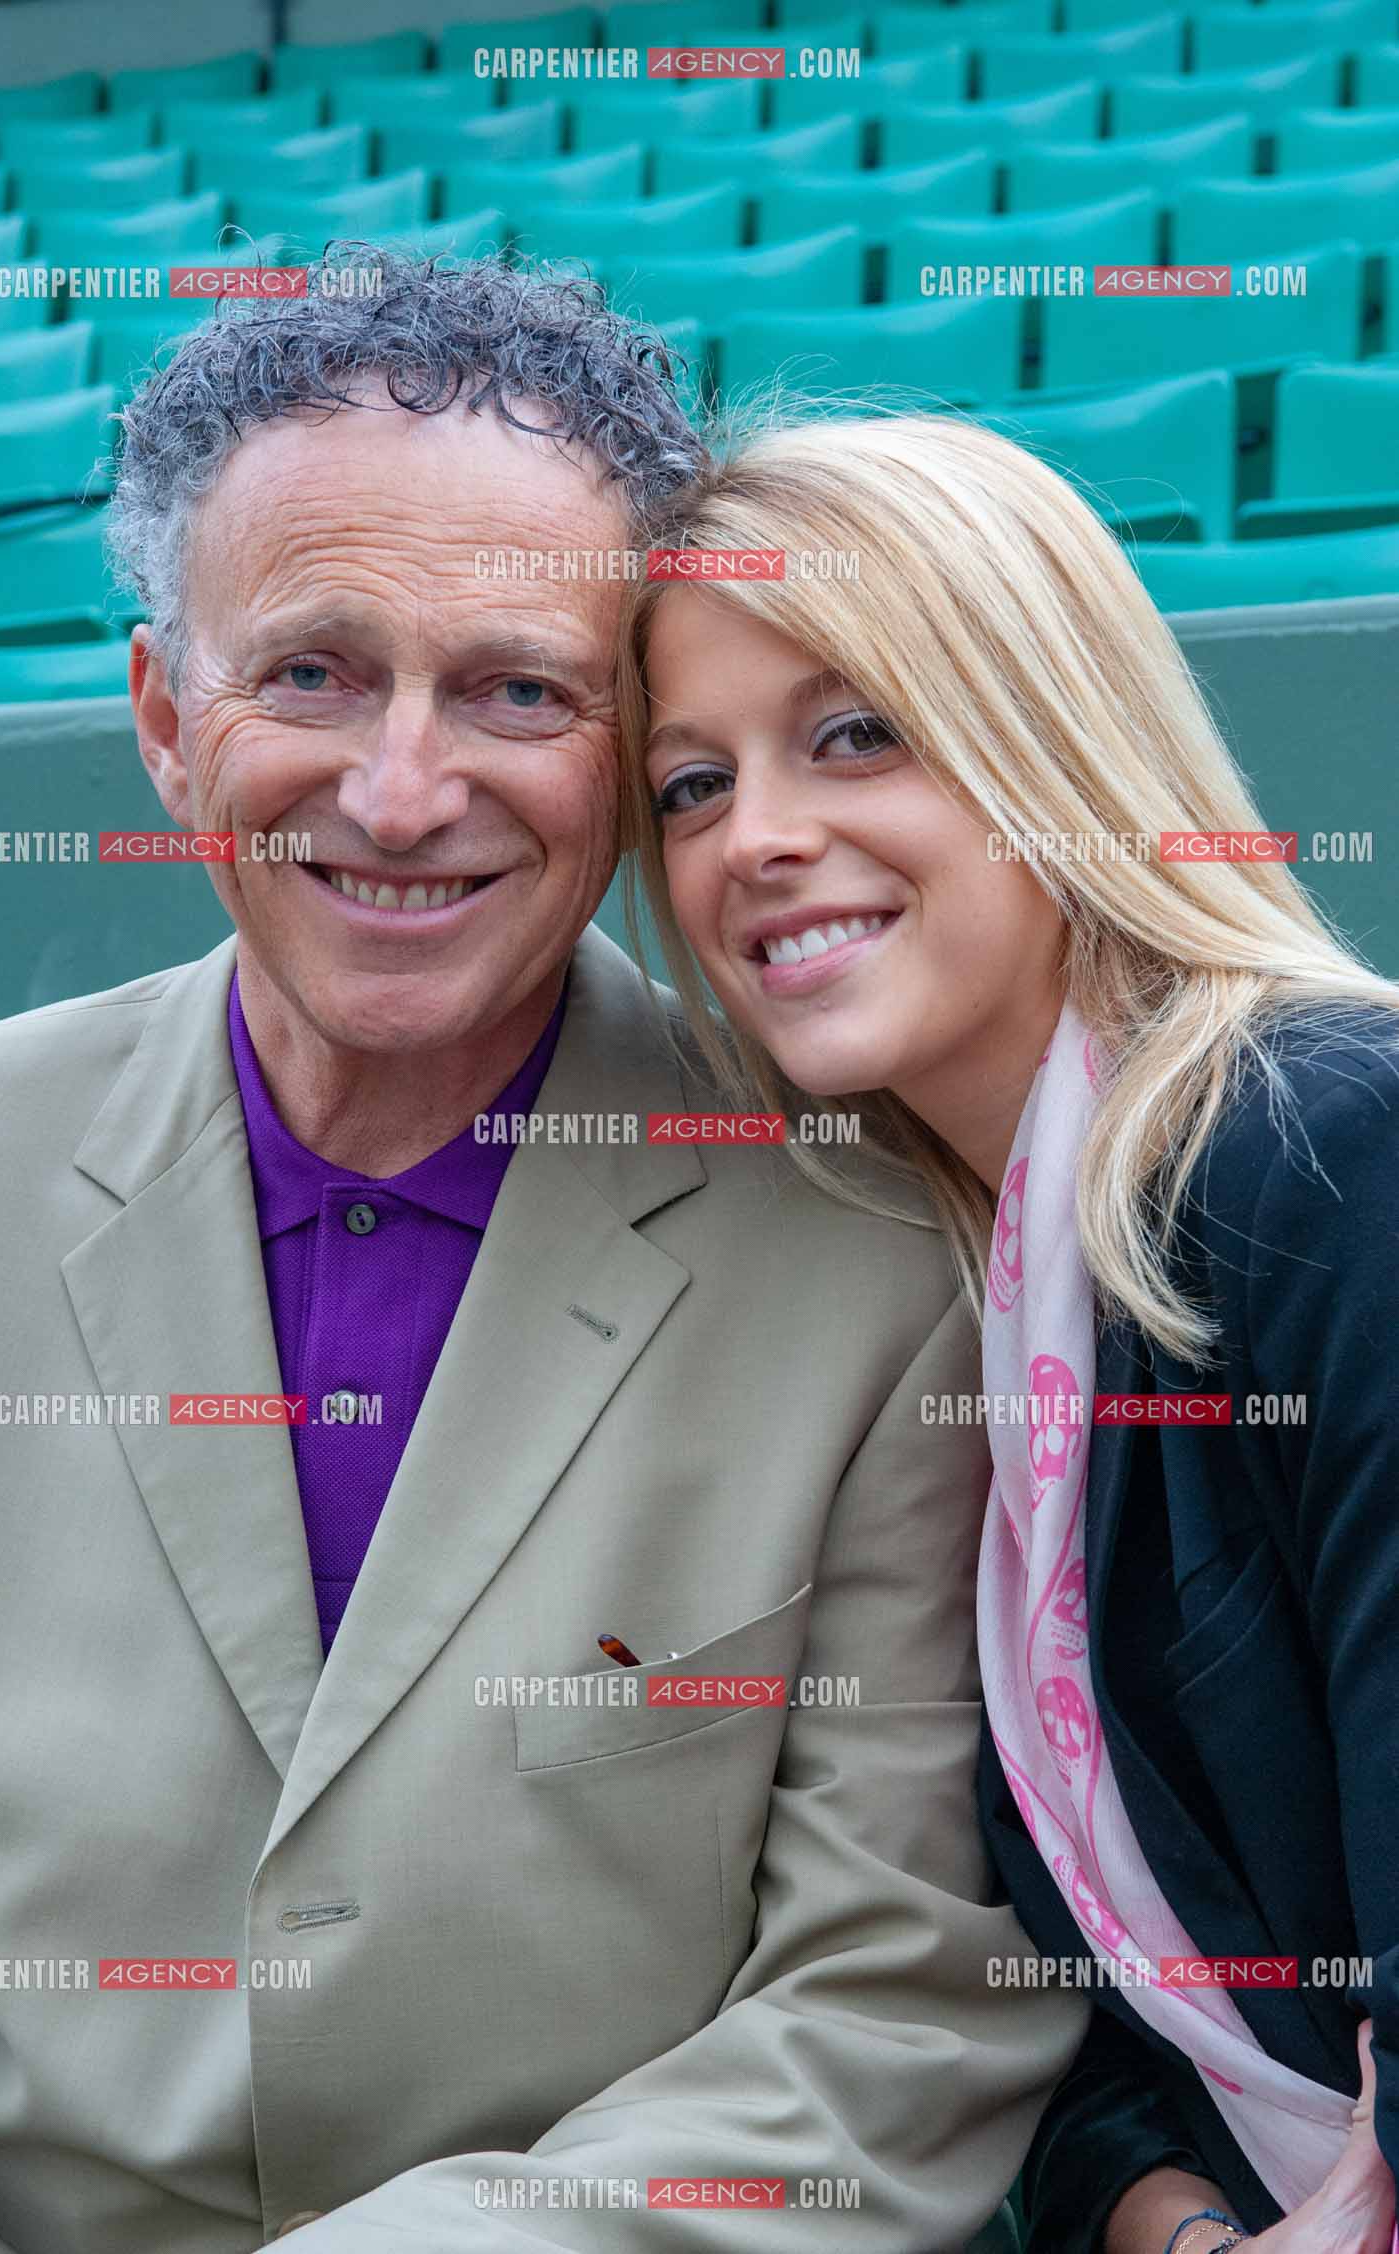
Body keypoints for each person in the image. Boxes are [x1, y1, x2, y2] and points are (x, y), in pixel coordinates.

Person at [0, 254, 1084, 2253]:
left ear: (629, 756)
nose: (400, 792)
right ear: (166, 719)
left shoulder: (887, 1246)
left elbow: (892, 2008)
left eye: (518, 689)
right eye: (311, 672)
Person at [617, 407, 1399, 2254]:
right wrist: (1182, 2235)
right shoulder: (970, 1281)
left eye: (854, 733)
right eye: (693, 783)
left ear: (1050, 731)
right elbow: (1076, 2032)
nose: (757, 839)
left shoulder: (1328, 1152)